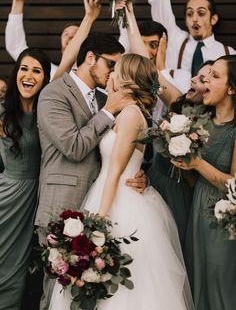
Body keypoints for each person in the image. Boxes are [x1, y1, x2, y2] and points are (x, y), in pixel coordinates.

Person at [48, 53, 194, 310]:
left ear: (126, 79)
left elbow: (115, 171)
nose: (110, 73)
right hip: (110, 192)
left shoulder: (130, 114)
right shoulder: (126, 112)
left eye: (116, 69)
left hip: (117, 201)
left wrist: (96, 226)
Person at [35, 33, 147, 310]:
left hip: (101, 205)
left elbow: (117, 150)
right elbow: (73, 146)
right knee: (56, 292)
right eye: (111, 65)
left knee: (91, 296)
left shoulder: (104, 97)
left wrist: (135, 174)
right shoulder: (53, 94)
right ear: (89, 58)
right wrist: (108, 111)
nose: (114, 73)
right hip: (62, 206)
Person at [172, 55, 236, 309]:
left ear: (232, 88)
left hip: (224, 219)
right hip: (196, 211)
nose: (206, 79)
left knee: (220, 287)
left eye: (215, 76)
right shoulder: (199, 122)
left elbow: (234, 184)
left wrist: (197, 163)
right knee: (195, 282)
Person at [0, 48, 50, 310]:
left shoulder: (47, 110)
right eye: (24, 68)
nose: (28, 75)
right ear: (16, 72)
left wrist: (88, 18)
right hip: (6, 198)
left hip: (33, 198)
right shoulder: (2, 113)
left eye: (37, 70)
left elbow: (65, 65)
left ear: (45, 78)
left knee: (16, 277)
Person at [147, 61, 214, 248]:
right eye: (195, 75)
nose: (193, 79)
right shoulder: (177, 103)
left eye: (202, 79)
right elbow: (154, 79)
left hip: (180, 192)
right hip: (154, 181)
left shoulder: (212, 125)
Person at [149, 0, 235, 76]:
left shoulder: (228, 53)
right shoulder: (174, 39)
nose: (194, 19)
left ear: (213, 19)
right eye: (189, 14)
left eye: (201, 13)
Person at [5, 0, 79, 79]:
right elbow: (15, 46)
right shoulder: (48, 71)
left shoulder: (98, 75)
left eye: (76, 33)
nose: (70, 36)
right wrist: (18, 1)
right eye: (65, 34)